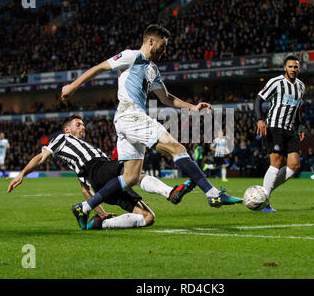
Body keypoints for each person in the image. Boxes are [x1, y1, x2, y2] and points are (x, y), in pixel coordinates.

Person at [61, 24, 242, 228]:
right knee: (177, 148)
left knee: (129, 177)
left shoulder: (152, 68)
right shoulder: (132, 56)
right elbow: (99, 67)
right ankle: (213, 194)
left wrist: (192, 107)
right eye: (163, 46)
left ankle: (84, 207)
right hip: (131, 115)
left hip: (127, 121)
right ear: (151, 41)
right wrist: (73, 86)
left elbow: (165, 98)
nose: (164, 51)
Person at [7, 115, 193, 230]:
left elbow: (85, 190)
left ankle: (101, 224)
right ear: (67, 129)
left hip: (102, 178)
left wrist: (101, 213)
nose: (83, 127)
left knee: (148, 218)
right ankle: (169, 192)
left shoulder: (87, 148)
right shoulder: (61, 139)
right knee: (134, 172)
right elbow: (41, 157)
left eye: (83, 125)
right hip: (99, 169)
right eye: (78, 124)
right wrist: (22, 173)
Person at [254, 55, 306, 212]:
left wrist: (301, 126)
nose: (293, 69)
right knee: (276, 163)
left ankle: (263, 193)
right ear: (285, 68)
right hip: (274, 128)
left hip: (290, 130)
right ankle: (265, 201)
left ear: (299, 69)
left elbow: (296, 110)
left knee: (294, 165)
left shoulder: (301, 86)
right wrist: (259, 120)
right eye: (290, 66)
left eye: (295, 67)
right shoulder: (276, 82)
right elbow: (258, 99)